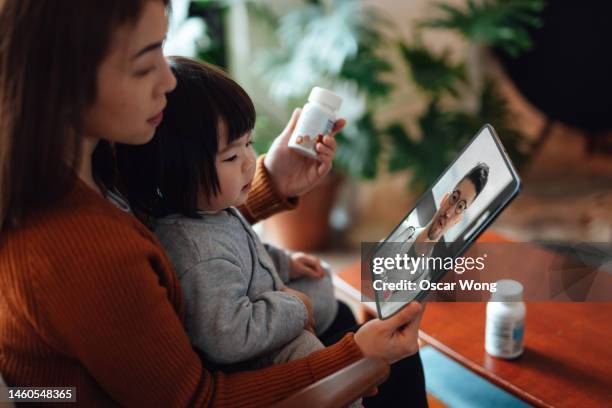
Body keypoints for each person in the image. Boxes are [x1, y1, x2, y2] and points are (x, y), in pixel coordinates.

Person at [0, 1, 426, 406]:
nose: (168, 82)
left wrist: (270, 182)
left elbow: (174, 240)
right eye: (145, 65)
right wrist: (353, 360)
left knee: (352, 317)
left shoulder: (95, 162)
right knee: (393, 360)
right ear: (67, 80)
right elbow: (197, 400)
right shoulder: (79, 252)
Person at [115, 57, 342, 369]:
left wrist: (283, 263)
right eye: (232, 155)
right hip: (262, 353)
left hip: (265, 300)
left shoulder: (213, 210)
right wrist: (296, 307)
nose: (251, 161)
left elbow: (245, 254)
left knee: (321, 284)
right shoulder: (196, 253)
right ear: (178, 172)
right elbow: (228, 337)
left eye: (249, 143)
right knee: (317, 352)